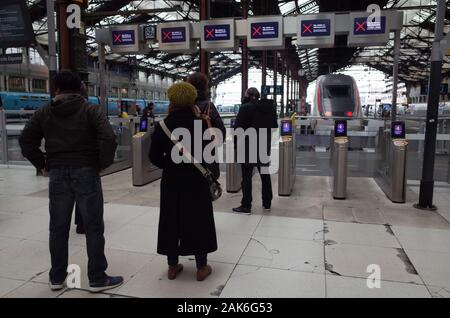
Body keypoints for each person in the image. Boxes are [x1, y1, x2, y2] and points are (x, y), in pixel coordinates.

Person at [19, 70, 123, 293]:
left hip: (57, 174)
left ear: (56, 89)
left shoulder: (44, 112)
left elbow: (26, 139)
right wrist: (101, 163)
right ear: (81, 88)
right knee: (93, 227)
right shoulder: (90, 110)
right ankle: (97, 278)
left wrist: (42, 163)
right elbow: (108, 137)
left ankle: (57, 278)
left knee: (58, 228)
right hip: (86, 172)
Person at [149, 82, 218, 282]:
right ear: (191, 100)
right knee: (199, 219)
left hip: (172, 180)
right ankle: (201, 267)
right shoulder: (200, 123)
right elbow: (210, 152)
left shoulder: (162, 126)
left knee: (171, 218)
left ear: (171, 100)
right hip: (196, 181)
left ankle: (172, 266)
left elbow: (153, 157)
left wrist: (169, 166)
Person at [232, 87, 278, 215]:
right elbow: (274, 128)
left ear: (247, 95)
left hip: (247, 146)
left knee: (246, 176)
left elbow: (238, 128)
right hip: (263, 145)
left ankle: (246, 206)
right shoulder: (269, 108)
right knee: (265, 174)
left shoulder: (245, 108)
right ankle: (267, 203)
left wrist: (236, 144)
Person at [186, 72, 226, 139]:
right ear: (205, 86)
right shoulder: (209, 106)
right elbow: (221, 133)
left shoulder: (183, 104)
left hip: (185, 147)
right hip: (206, 147)